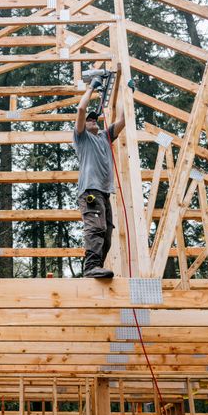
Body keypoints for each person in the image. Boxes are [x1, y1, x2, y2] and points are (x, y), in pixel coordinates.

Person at [73, 75, 125, 278]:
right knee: (95, 228)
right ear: (84, 126)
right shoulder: (82, 138)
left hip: (104, 193)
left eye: (95, 119)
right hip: (90, 190)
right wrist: (91, 88)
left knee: (107, 234)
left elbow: (122, 120)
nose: (93, 120)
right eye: (89, 120)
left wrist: (122, 93)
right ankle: (90, 267)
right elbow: (80, 110)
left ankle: (97, 268)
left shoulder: (104, 136)